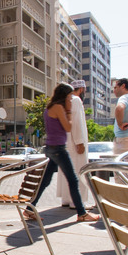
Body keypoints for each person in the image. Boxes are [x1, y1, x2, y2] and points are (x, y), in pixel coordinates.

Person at [28, 83, 100, 222]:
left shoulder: (49, 108)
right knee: (73, 180)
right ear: (64, 96)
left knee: (45, 180)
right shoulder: (59, 108)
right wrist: (69, 113)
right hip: (58, 149)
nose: (70, 99)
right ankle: (82, 213)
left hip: (50, 148)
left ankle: (29, 208)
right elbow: (68, 127)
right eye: (69, 96)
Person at [56, 80, 91, 210]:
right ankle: (76, 201)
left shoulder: (63, 101)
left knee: (67, 172)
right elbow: (76, 122)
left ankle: (66, 199)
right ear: (81, 89)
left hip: (64, 142)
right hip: (73, 143)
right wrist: (79, 142)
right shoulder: (75, 100)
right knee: (78, 171)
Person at [113, 78, 128, 155]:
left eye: (115, 87)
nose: (114, 90)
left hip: (125, 139)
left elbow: (119, 108)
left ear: (123, 86)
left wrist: (120, 124)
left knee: (122, 166)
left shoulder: (125, 97)